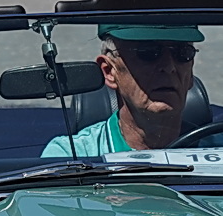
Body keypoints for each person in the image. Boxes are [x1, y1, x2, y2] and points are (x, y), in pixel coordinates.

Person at [42, 26, 206, 154]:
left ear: (190, 71)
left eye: (183, 53)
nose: (169, 67)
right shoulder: (72, 155)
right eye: (148, 53)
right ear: (109, 71)